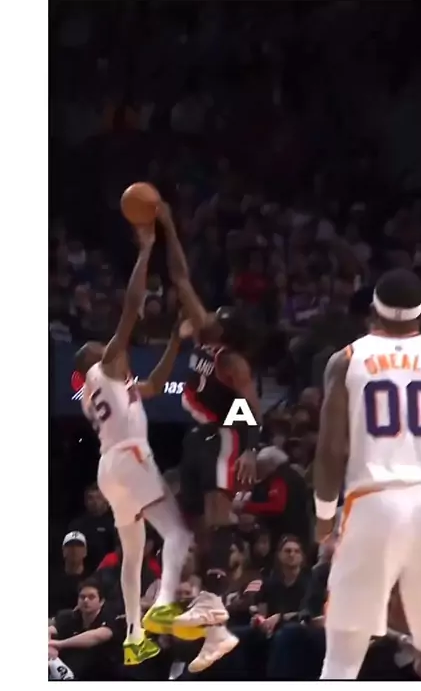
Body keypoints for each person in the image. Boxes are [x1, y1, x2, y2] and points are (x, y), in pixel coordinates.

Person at [73, 223, 192, 667]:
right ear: (95, 358)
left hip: (109, 468)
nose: (116, 348)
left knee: (134, 553)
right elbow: (131, 307)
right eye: (105, 347)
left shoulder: (111, 387)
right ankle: (163, 607)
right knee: (177, 532)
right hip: (129, 456)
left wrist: (176, 340)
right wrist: (145, 251)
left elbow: (156, 385)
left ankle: (134, 635)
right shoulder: (103, 368)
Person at [156, 202, 263, 672]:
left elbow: (252, 408)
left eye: (217, 316)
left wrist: (251, 449)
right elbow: (181, 279)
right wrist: (167, 225)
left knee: (218, 520)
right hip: (196, 438)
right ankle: (214, 628)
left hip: (224, 437)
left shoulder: (232, 363)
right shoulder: (205, 340)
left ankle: (215, 602)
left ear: (227, 329)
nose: (209, 316)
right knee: (199, 527)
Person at [313, 268, 421, 680]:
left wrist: (324, 518)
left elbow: (331, 450)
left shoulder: (347, 359)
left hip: (373, 502)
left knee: (342, 659)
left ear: (372, 311)